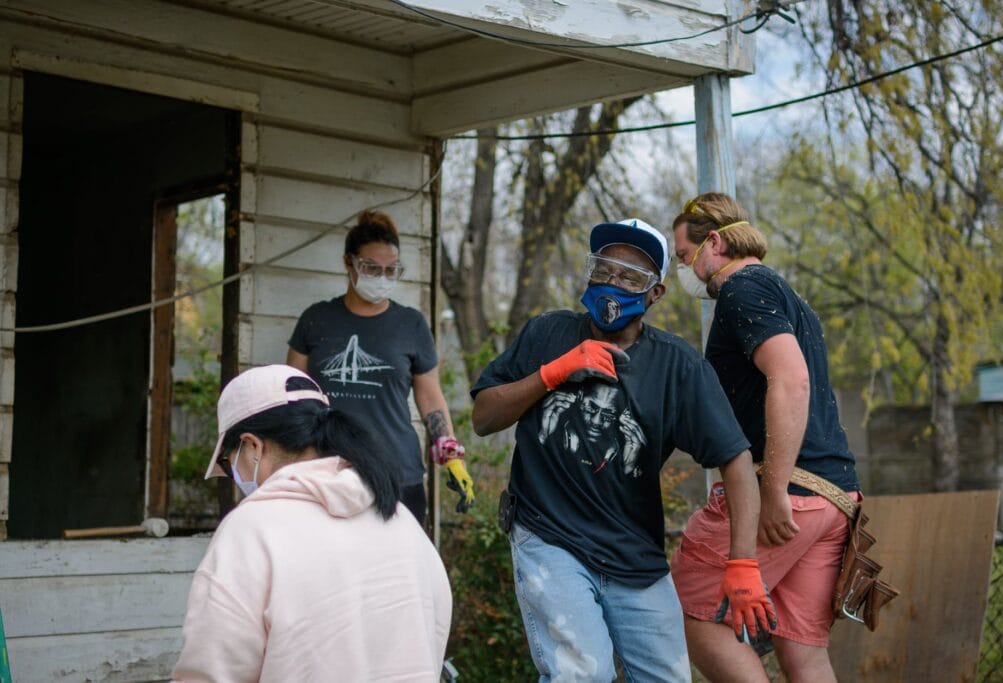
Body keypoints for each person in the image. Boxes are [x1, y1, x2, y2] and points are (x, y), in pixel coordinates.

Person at [471, 218, 775, 682]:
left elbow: (734, 459)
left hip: (634, 553)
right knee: (582, 673)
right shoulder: (549, 334)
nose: (613, 284)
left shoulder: (677, 367)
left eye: (630, 277)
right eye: (604, 269)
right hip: (549, 535)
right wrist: (551, 374)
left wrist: (742, 563)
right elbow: (483, 416)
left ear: (655, 293)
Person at [671, 193, 862, 682]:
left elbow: (792, 380)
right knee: (804, 651)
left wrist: (774, 488)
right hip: (834, 499)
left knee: (692, 611)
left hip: (786, 494)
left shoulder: (742, 288)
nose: (683, 271)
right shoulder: (788, 296)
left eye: (683, 257)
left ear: (713, 242)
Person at [172, 364, 452, 682]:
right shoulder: (401, 520)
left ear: (251, 446)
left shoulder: (252, 530)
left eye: (228, 461)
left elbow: (212, 668)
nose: (234, 475)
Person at [287, 210, 473, 525]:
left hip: (396, 471)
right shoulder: (315, 320)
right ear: (349, 263)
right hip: (327, 470)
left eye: (391, 270)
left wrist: (450, 452)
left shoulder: (411, 325)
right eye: (372, 268)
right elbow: (292, 396)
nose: (382, 278)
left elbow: (430, 397)